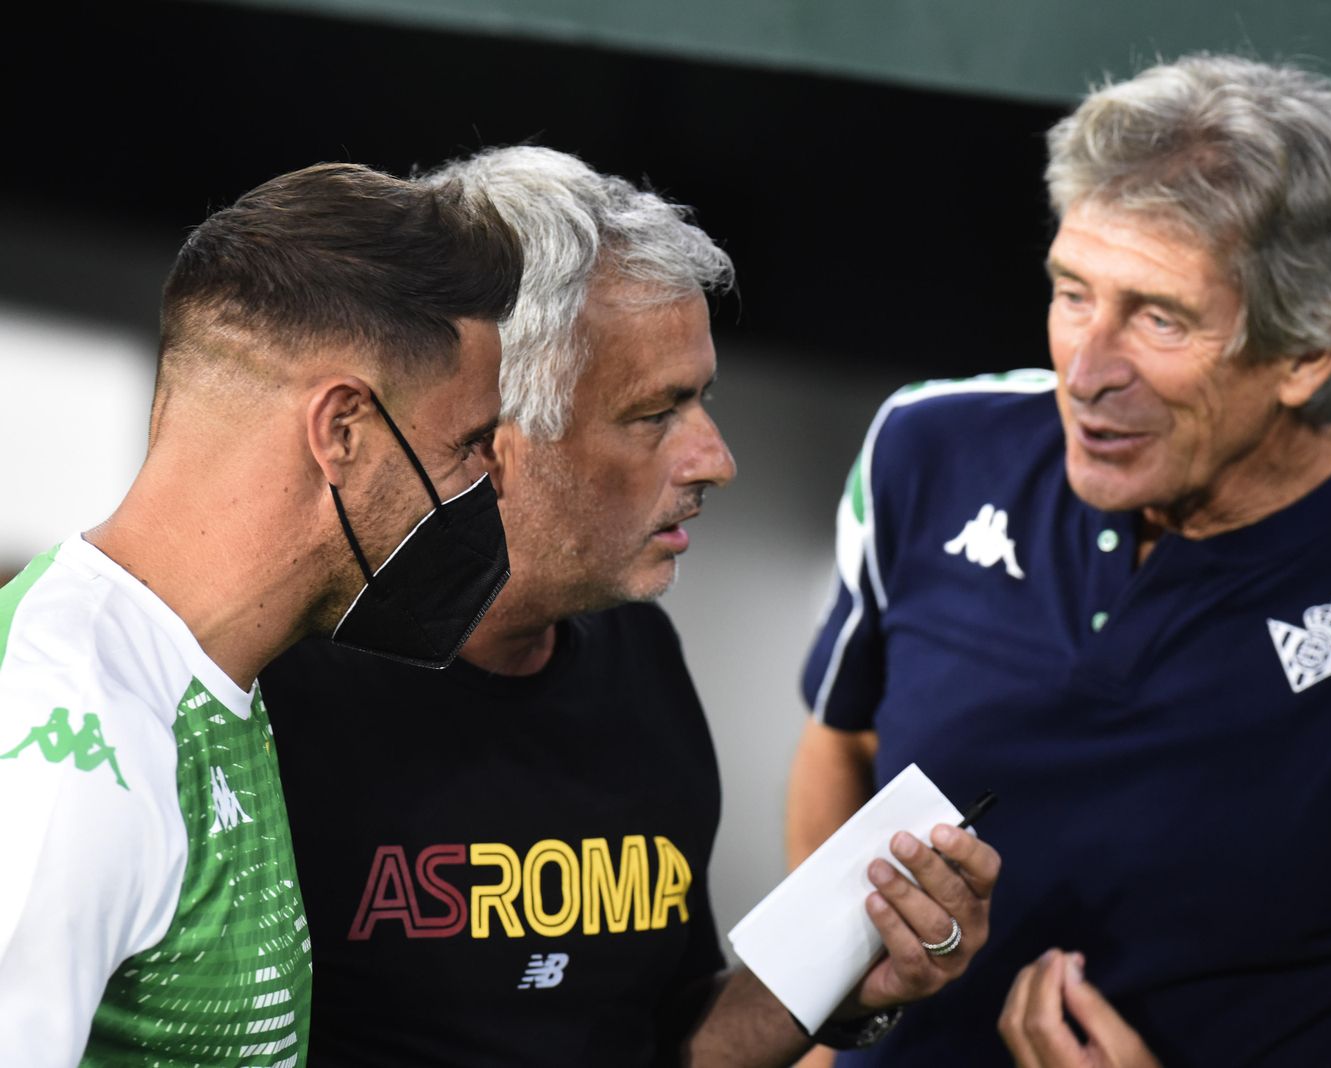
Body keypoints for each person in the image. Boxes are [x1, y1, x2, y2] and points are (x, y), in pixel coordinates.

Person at [787, 53, 1331, 1067]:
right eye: (1072, 293)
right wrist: (824, 1031)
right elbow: (842, 749)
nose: (1085, 372)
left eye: (1158, 318)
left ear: (1306, 353)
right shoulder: (925, 447)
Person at [260, 145, 1002, 1067]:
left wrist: (838, 985)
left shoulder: (637, 659)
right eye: (657, 413)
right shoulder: (270, 692)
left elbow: (654, 1039)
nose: (716, 459)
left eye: (702, 401)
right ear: (489, 433)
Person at [0, 161, 523, 1065]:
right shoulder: (73, 741)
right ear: (343, 430)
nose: (489, 485)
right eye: (469, 442)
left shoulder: (209, 679)